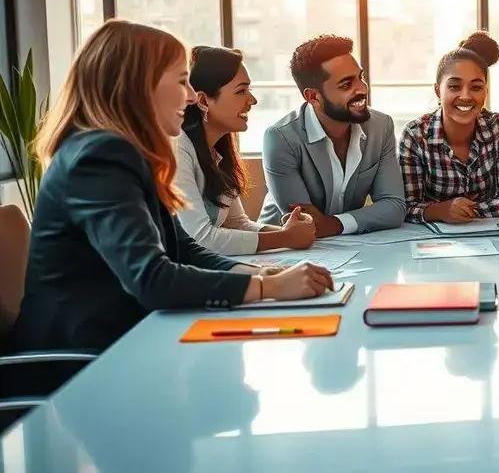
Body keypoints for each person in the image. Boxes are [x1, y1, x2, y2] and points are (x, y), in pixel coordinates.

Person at [8, 20, 333, 362]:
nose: (192, 96)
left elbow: (183, 249)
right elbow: (152, 278)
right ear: (138, 86)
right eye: (181, 81)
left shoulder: (127, 152)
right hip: (75, 364)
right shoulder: (99, 157)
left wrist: (263, 274)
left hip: (117, 344)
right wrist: (266, 289)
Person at [259, 34, 407, 235]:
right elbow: (305, 222)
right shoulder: (281, 138)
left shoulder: (381, 127)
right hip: (284, 250)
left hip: (347, 245)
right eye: (346, 85)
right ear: (313, 97)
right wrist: (343, 222)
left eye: (360, 77)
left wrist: (334, 224)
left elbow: (394, 207)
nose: (362, 89)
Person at [175, 46, 316, 255]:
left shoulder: (218, 151)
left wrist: (290, 233)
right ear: (203, 101)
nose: (252, 100)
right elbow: (199, 238)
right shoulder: (177, 147)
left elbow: (236, 223)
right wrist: (285, 238)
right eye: (241, 91)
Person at [398, 31, 499, 223]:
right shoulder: (415, 135)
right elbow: (406, 206)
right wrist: (441, 211)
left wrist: (463, 211)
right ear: (437, 91)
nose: (465, 96)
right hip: (430, 242)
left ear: (485, 92)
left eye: (476, 87)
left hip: (493, 239)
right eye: (454, 87)